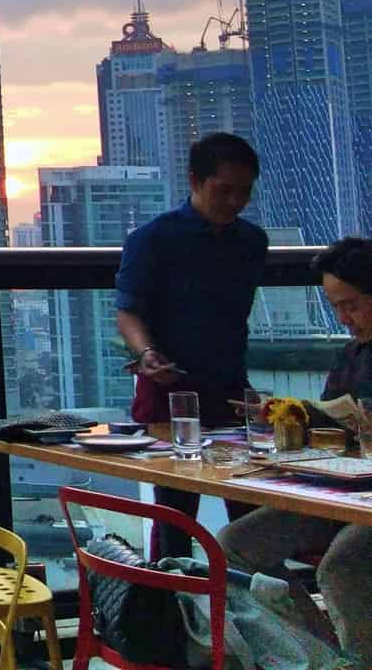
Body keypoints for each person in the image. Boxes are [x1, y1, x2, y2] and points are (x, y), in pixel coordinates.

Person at [219, 237, 372, 664]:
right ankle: (328, 656)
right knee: (235, 545)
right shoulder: (353, 353)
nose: (344, 318)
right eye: (336, 306)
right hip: (346, 489)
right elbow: (333, 419)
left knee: (342, 567)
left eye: (353, 305)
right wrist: (296, 416)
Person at [115, 131, 267, 558]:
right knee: (174, 515)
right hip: (170, 391)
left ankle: (256, 611)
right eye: (225, 190)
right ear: (195, 181)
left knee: (252, 512)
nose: (235, 202)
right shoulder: (153, 238)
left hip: (232, 391)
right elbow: (128, 311)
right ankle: (168, 613)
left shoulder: (253, 242)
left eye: (244, 192)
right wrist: (146, 354)